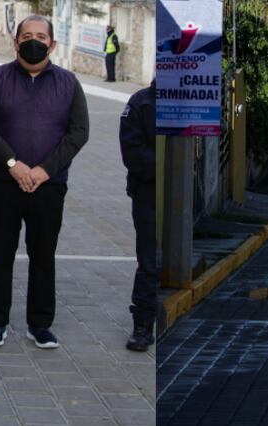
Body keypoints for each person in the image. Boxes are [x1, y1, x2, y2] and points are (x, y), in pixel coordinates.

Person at [0, 15, 89, 350]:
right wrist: (13, 164)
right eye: (26, 36)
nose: (33, 41)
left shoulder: (68, 82)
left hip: (48, 186)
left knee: (43, 255)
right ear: (15, 42)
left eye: (40, 36)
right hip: (2, 184)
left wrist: (44, 170)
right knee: (0, 253)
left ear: (52, 44)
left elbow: (79, 132)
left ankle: (40, 325)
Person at [120, 80, 155, 352]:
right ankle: (142, 324)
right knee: (149, 260)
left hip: (185, 192)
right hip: (148, 193)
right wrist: (168, 165)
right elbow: (132, 154)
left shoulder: (192, 103)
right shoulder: (140, 103)